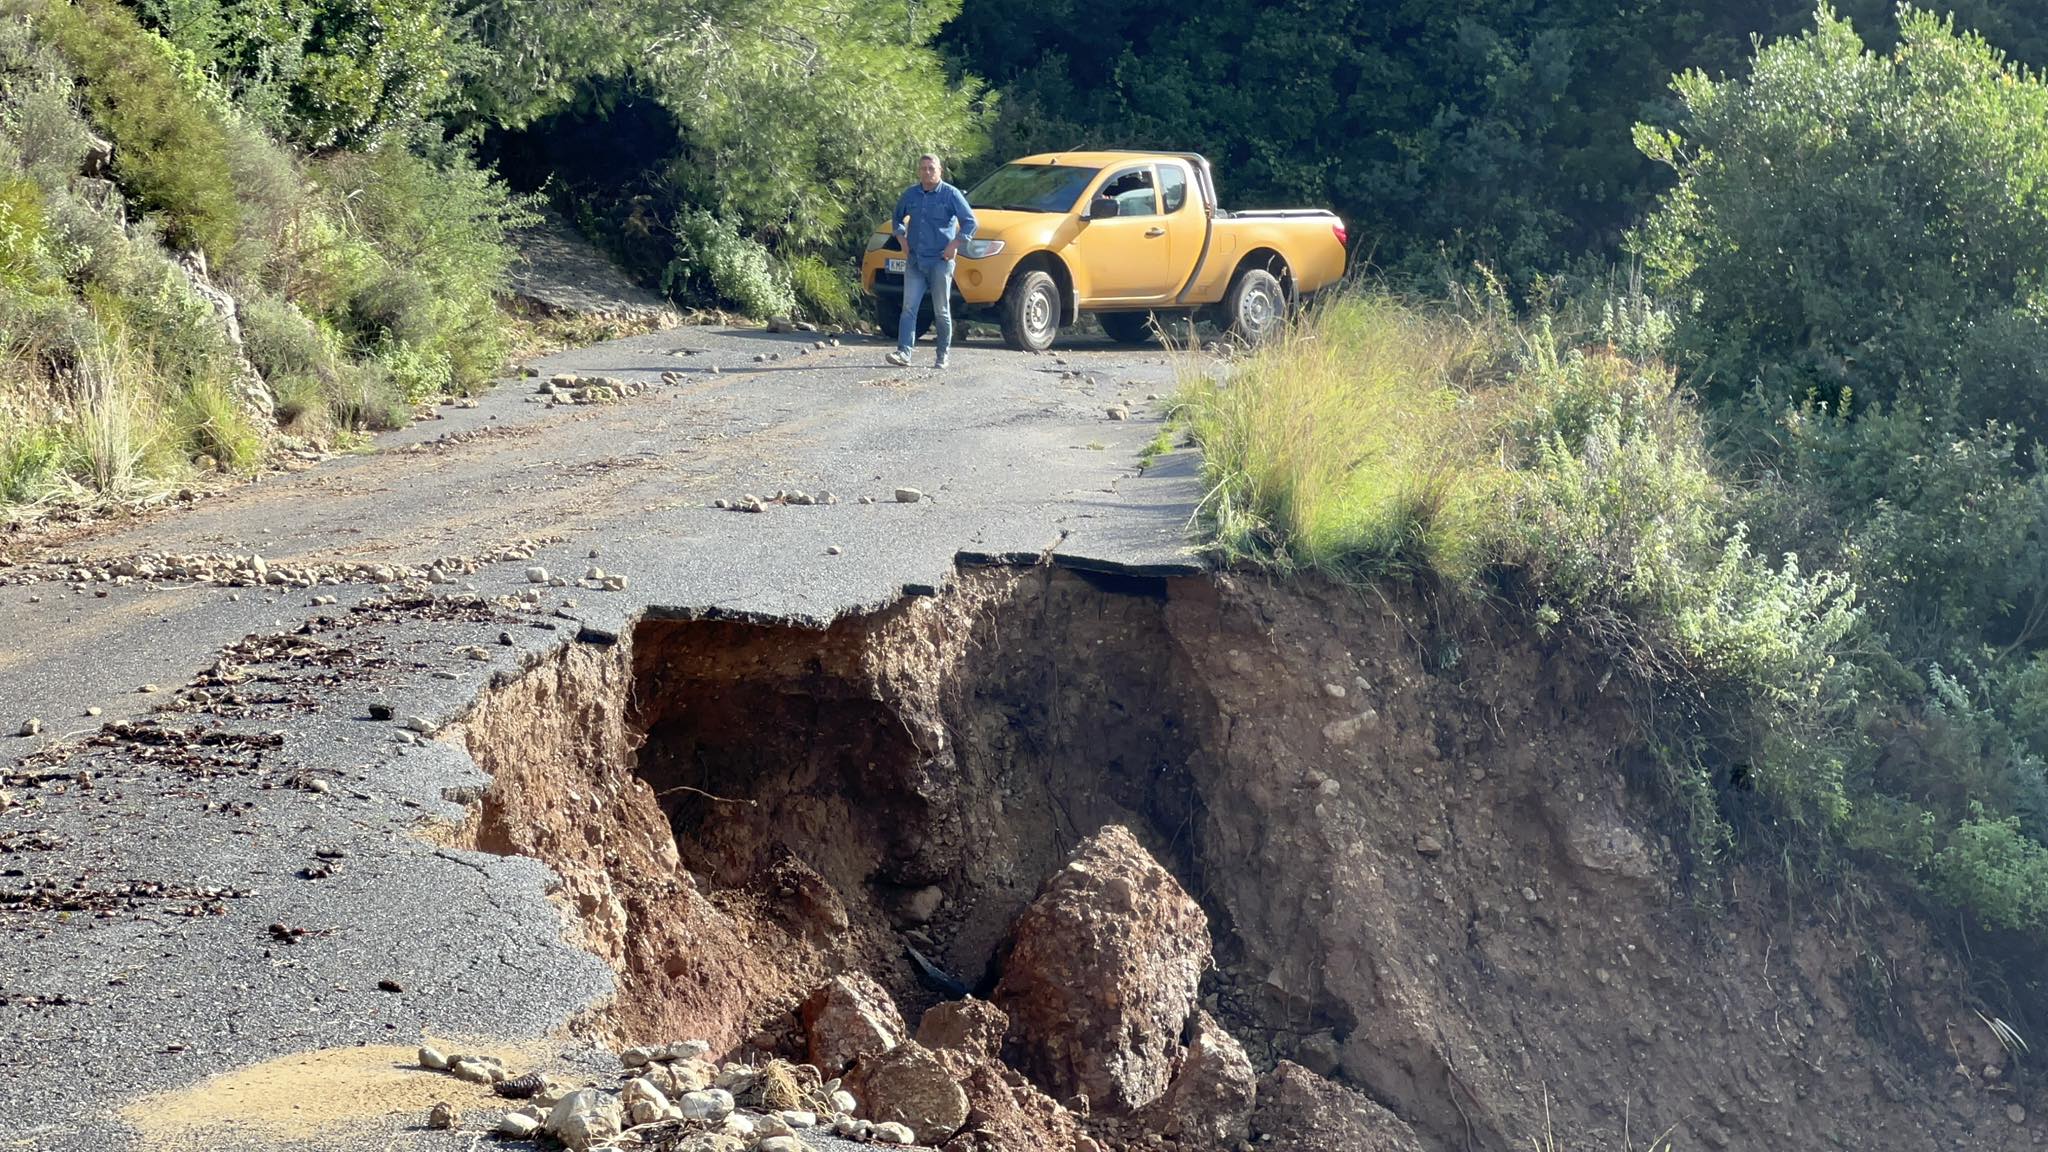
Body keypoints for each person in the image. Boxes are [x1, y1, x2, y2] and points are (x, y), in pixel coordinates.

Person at [886, 154, 977, 369]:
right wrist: (901, 239)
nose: (927, 172)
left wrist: (955, 244)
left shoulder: (951, 194)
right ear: (919, 171)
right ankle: (904, 352)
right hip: (915, 261)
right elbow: (897, 217)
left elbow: (970, 222)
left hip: (940, 261)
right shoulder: (911, 194)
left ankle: (942, 354)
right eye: (923, 168)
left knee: (941, 310)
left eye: (931, 168)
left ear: (940, 171)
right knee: (909, 308)